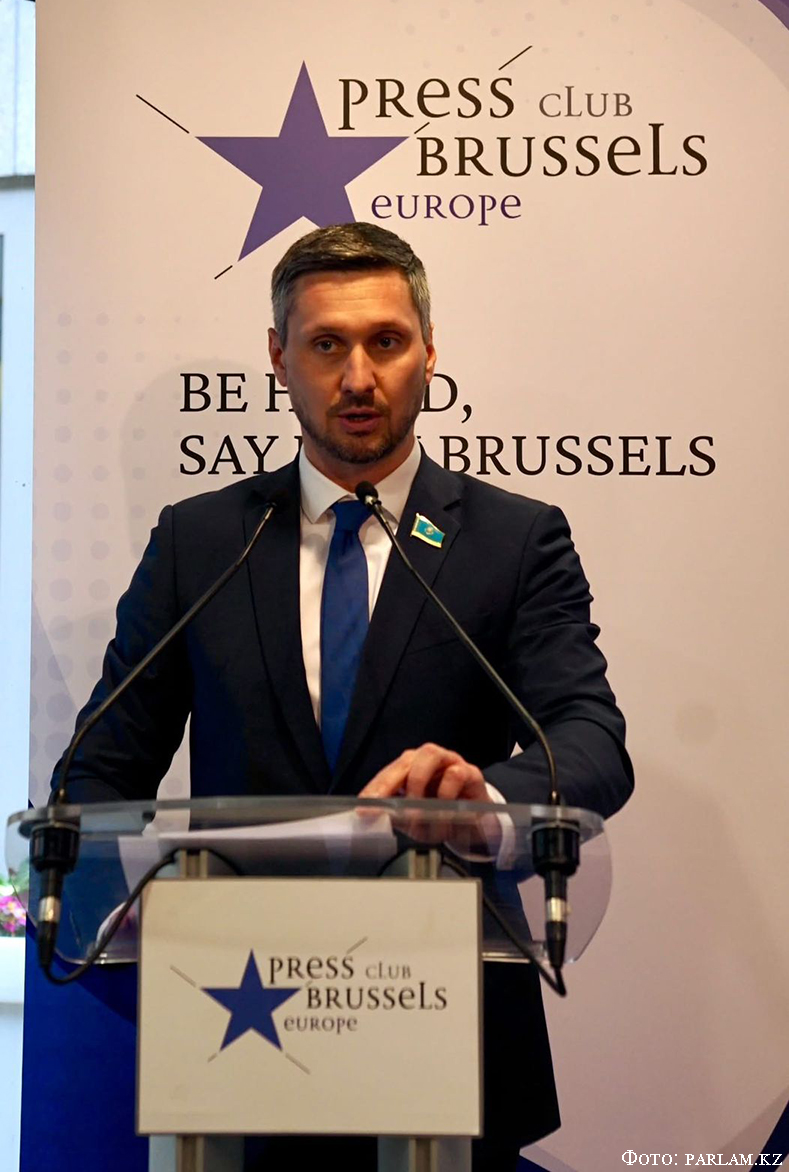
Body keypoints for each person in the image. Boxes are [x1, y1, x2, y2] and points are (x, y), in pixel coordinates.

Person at [53, 222, 633, 1171]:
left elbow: (592, 742)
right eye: (326, 344)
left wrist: (484, 797)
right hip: (236, 1031)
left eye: (385, 342)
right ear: (278, 357)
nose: (358, 377)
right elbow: (95, 773)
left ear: (429, 352)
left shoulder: (512, 540)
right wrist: (118, 893)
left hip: (451, 1037)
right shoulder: (203, 542)